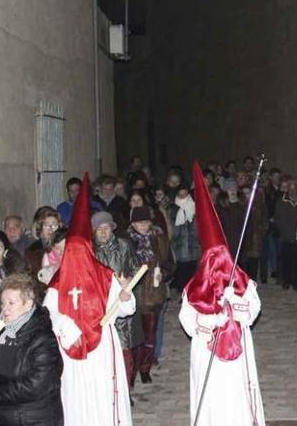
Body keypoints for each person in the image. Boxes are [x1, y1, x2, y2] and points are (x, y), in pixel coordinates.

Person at [44, 173, 134, 426]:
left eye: (80, 251)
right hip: (70, 348)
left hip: (102, 345)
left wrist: (126, 296)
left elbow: (126, 309)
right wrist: (66, 326)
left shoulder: (106, 276)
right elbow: (48, 314)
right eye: (71, 252)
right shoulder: (58, 283)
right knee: (74, 397)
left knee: (103, 394)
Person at [178, 163, 265, 426]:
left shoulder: (241, 282)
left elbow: (253, 311)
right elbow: (186, 320)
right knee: (211, 393)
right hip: (207, 349)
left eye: (222, 260)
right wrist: (209, 322)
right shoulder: (193, 289)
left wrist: (235, 303)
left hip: (237, 347)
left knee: (236, 389)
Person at [0, 274, 64, 425]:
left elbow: (38, 384)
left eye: (11, 303)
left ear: (28, 304)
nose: (5, 309)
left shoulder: (43, 338)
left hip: (30, 419)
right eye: (3, 303)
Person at [91, 211, 142, 388]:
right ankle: (111, 390)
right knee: (106, 353)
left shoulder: (124, 246)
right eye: (99, 229)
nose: (103, 232)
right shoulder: (90, 251)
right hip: (101, 307)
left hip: (123, 302)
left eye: (106, 228)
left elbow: (136, 268)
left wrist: (128, 282)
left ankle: (125, 390)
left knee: (125, 350)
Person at [127, 206, 173, 384]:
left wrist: (165, 273)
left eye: (146, 222)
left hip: (154, 292)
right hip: (134, 292)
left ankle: (145, 369)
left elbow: (170, 262)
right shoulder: (127, 241)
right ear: (133, 224)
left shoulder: (159, 239)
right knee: (134, 337)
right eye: (139, 222)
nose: (143, 226)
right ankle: (131, 372)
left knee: (150, 335)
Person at [273, 178, 297, 291]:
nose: (292, 191)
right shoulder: (281, 201)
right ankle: (286, 281)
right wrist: (282, 231)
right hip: (285, 236)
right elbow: (278, 218)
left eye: (294, 188)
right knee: (285, 260)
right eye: (290, 189)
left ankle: (296, 282)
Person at [169, 184, 200, 293]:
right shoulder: (173, 209)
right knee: (181, 272)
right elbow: (172, 230)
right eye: (180, 195)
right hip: (179, 249)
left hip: (193, 248)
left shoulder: (195, 207)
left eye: (185, 194)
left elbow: (198, 229)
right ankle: (182, 291)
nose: (182, 197)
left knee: (192, 271)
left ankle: (191, 292)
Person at [23, 208, 62, 277]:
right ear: (40, 229)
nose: (51, 228)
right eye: (46, 225)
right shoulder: (32, 251)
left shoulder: (67, 246)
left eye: (54, 225)